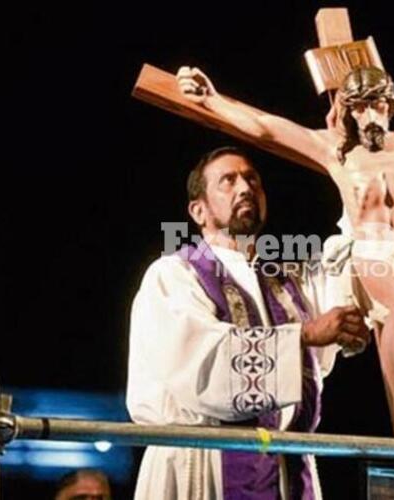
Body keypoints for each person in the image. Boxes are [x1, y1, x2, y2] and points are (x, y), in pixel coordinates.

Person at [176, 59, 394, 438]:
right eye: (359, 106)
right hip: (371, 251)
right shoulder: (335, 150)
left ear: (390, 106)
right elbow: (266, 127)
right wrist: (212, 99)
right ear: (348, 110)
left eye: (377, 105)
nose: (370, 114)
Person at [126, 146, 370, 499]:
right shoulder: (174, 275)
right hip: (202, 462)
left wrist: (354, 164)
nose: (245, 188)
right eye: (229, 180)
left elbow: (344, 267)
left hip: (286, 467)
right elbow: (202, 364)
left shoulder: (287, 283)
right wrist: (302, 335)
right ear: (198, 210)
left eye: (252, 179)